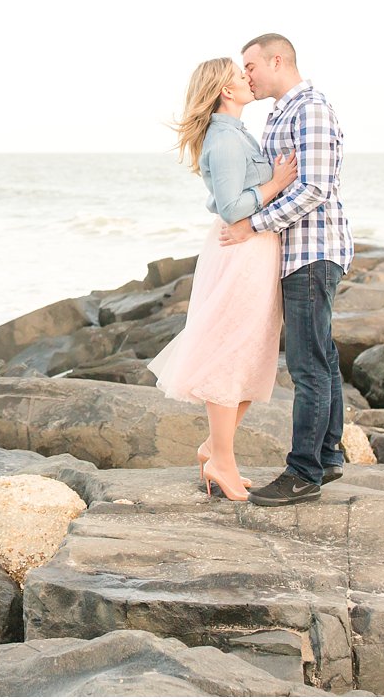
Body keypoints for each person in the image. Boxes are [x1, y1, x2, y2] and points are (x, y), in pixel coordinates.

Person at [147, 56, 298, 502]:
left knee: (251, 352)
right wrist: (277, 182)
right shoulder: (227, 139)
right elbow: (233, 208)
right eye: (239, 74)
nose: (247, 78)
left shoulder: (235, 133)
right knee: (233, 352)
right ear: (226, 92)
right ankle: (222, 461)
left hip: (252, 250)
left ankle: (216, 447)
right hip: (241, 252)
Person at [218, 33, 354, 506]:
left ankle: (304, 473)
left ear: (278, 60)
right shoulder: (281, 112)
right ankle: (330, 455)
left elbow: (314, 187)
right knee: (322, 355)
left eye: (251, 65)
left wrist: (251, 225)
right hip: (296, 253)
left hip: (312, 252)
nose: (246, 75)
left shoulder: (309, 108)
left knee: (307, 363)